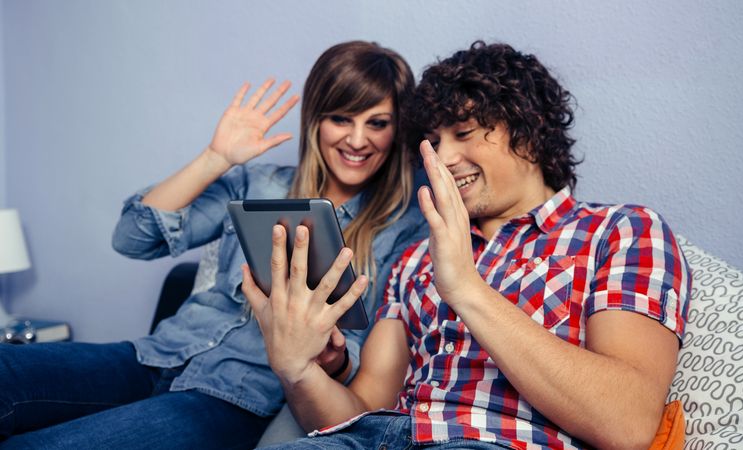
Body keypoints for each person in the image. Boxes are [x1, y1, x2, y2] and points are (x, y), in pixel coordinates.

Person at [245, 41, 691, 449]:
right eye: (434, 142)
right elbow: (359, 414)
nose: (444, 157)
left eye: (463, 132)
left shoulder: (620, 230)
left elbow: (626, 424)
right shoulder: (415, 258)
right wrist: (297, 368)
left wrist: (466, 287)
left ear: (528, 128)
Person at [0, 41, 428, 449]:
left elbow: (359, 361)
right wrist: (215, 157)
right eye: (341, 118)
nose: (357, 140)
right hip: (155, 355)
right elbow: (132, 238)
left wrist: (329, 359)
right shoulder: (258, 183)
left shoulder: (404, 228)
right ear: (316, 119)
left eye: (377, 123)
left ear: (397, 131)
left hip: (235, 397)